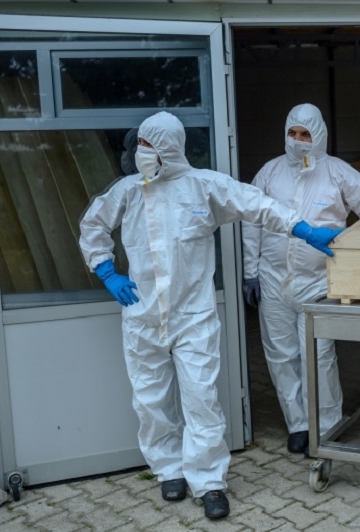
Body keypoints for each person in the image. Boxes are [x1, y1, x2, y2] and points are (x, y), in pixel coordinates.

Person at [78, 111, 341, 520]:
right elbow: (93, 226)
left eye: (148, 144)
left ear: (167, 147)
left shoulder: (203, 186)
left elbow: (258, 205)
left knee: (202, 400)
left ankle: (209, 482)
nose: (141, 152)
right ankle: (168, 470)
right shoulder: (127, 191)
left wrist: (302, 229)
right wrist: (106, 270)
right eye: (140, 144)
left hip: (193, 317)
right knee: (151, 400)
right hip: (142, 315)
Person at [242, 103, 360, 455]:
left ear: (318, 135)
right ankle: (299, 424)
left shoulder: (337, 172)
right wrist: (249, 272)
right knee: (280, 354)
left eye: (305, 135)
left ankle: (327, 424)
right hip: (273, 279)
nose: (298, 141)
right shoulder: (270, 172)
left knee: (318, 354)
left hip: (319, 281)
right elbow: (251, 222)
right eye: (292, 133)